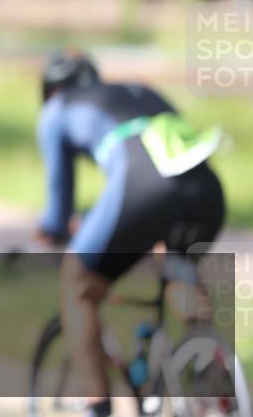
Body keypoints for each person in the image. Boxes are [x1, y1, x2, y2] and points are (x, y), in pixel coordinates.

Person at [35, 48, 226, 417]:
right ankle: (213, 377)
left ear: (50, 91)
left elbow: (57, 213)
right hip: (206, 189)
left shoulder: (55, 110)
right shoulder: (140, 92)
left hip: (143, 188)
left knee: (77, 283)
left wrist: (49, 233)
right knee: (174, 263)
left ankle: (97, 406)